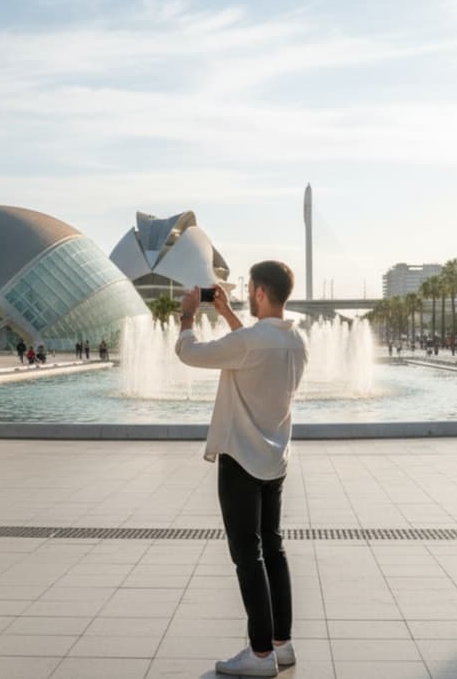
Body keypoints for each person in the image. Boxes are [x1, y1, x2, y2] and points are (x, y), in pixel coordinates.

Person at [175, 262, 308, 677]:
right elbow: (248, 344)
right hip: (275, 459)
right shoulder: (297, 341)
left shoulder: (250, 343)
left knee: (246, 554)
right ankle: (281, 645)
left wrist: (188, 317)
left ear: (262, 293)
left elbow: (189, 352)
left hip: (240, 460)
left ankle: (260, 654)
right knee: (273, 546)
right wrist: (229, 314)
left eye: (250, 289)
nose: (247, 294)